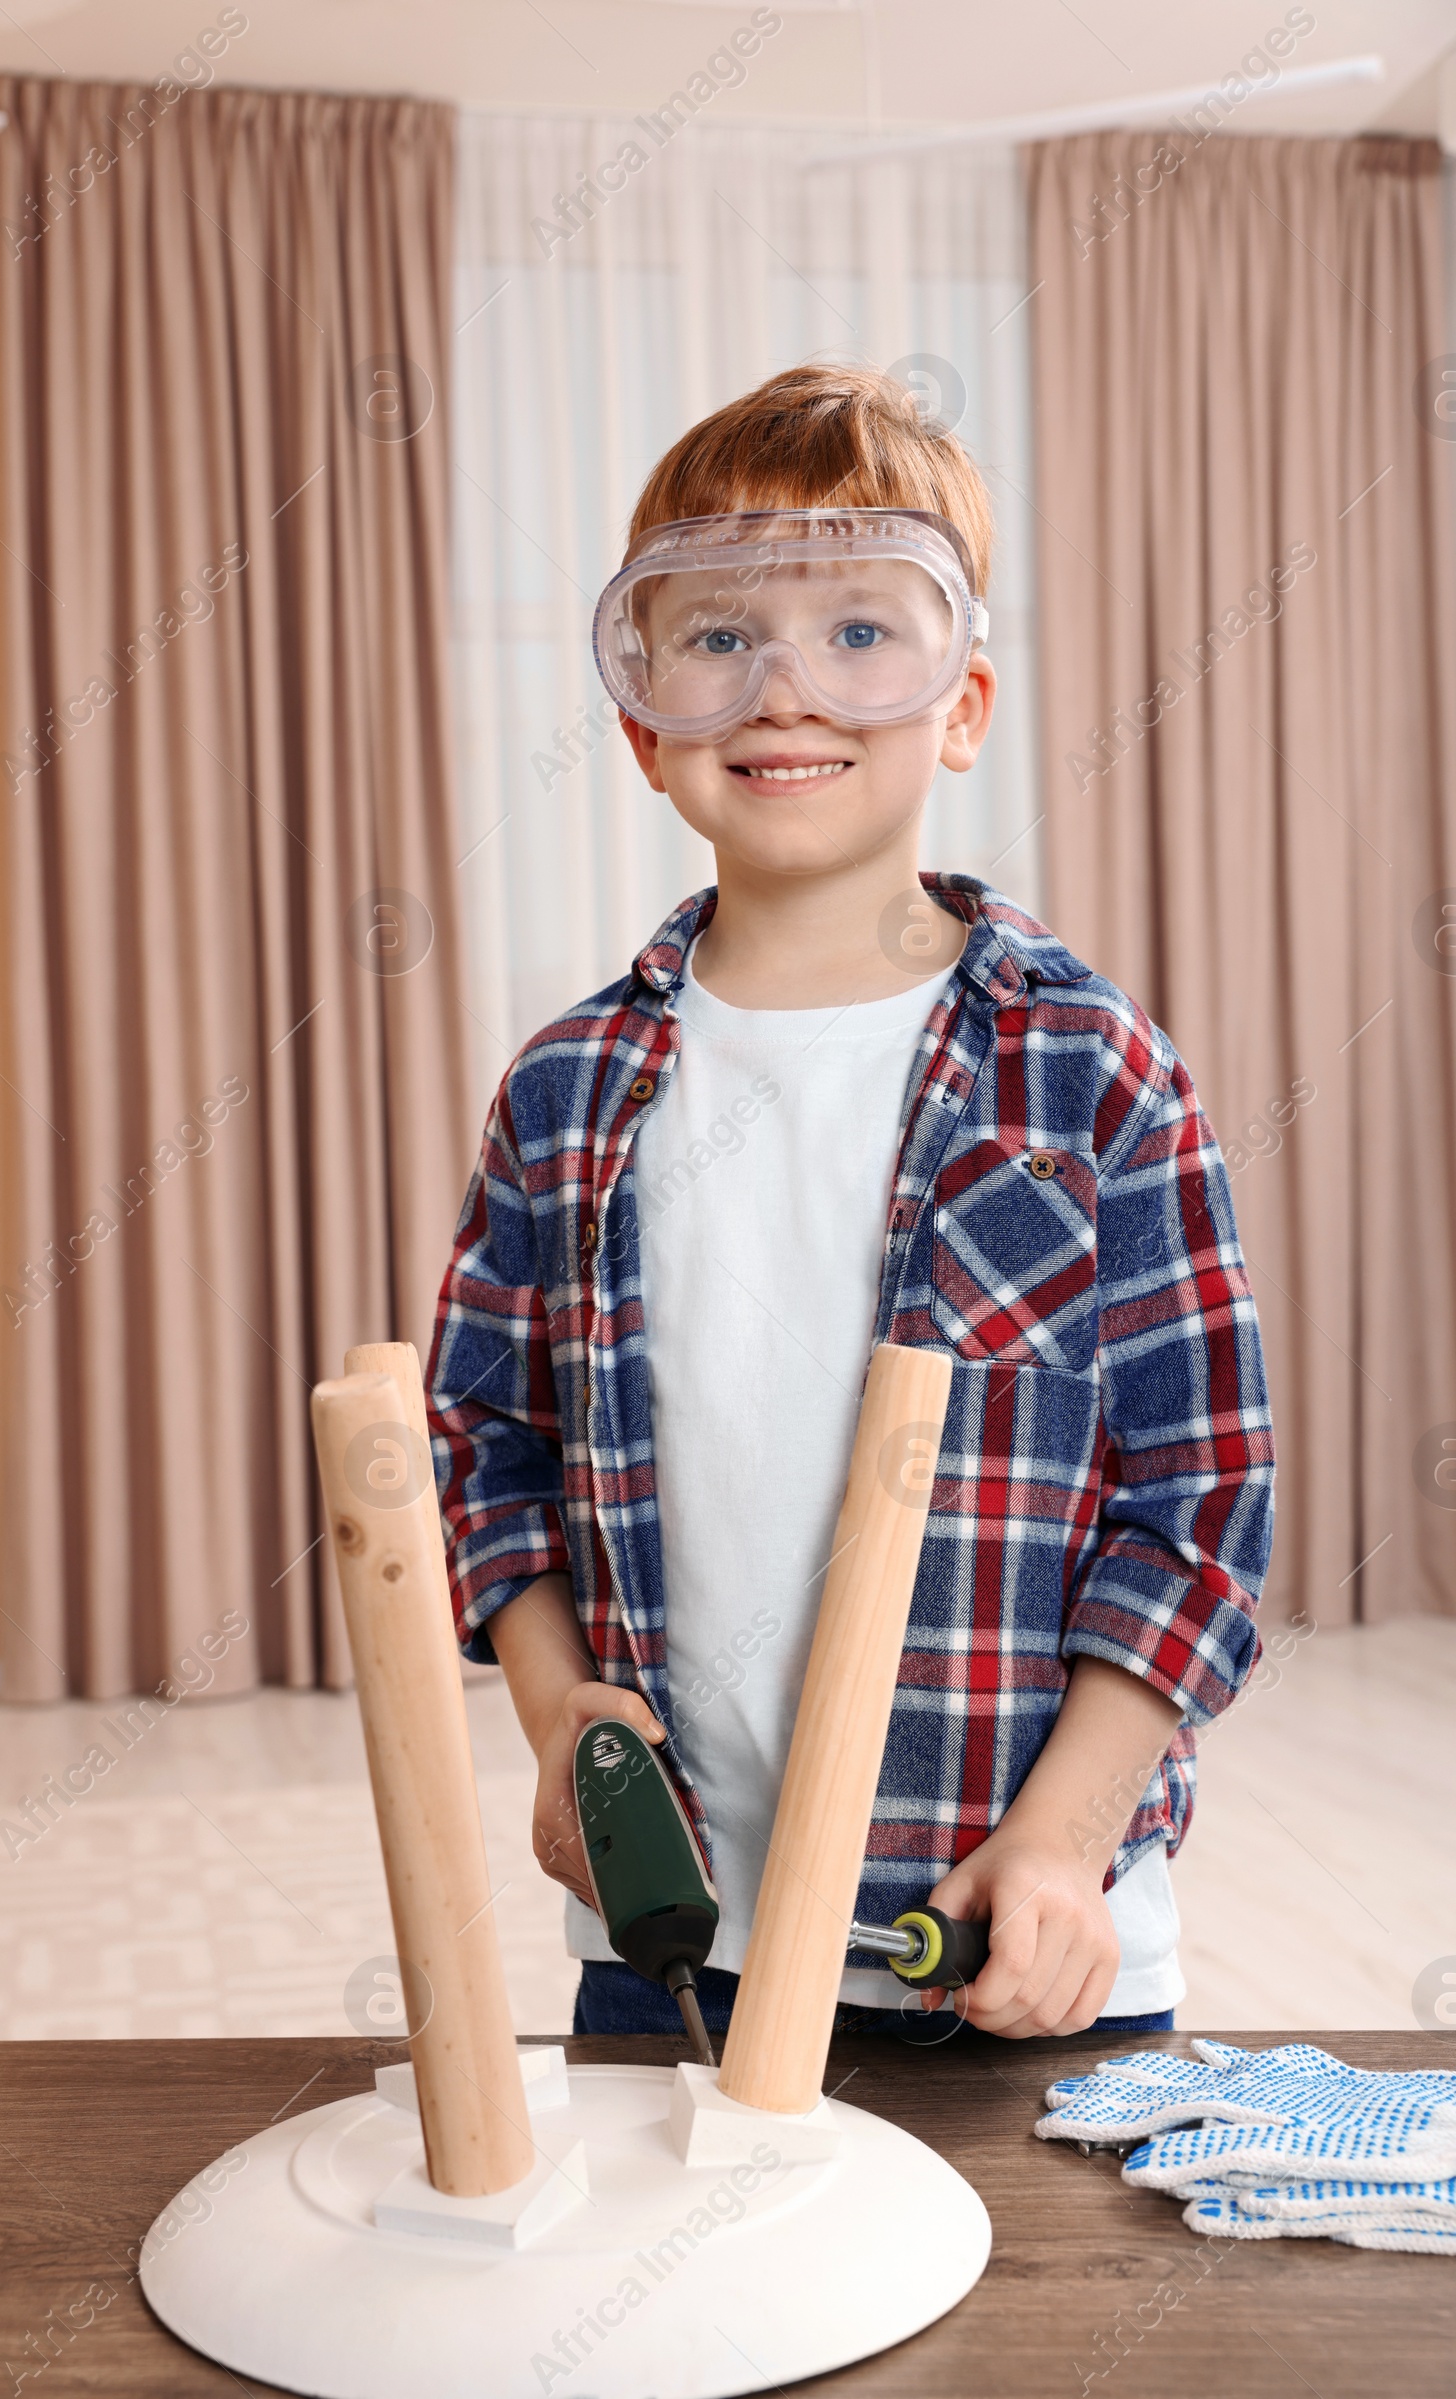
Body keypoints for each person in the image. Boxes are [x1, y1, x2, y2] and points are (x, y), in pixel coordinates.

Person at [426, 362, 1274, 2044]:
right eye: (719, 636)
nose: (785, 690)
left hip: (1012, 1936)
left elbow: (1200, 1501)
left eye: (863, 633)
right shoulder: (566, 1091)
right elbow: (484, 1448)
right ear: (643, 717)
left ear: (961, 702)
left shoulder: (1092, 1070)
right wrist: (559, 1721)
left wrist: (1065, 1838)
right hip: (674, 1935)